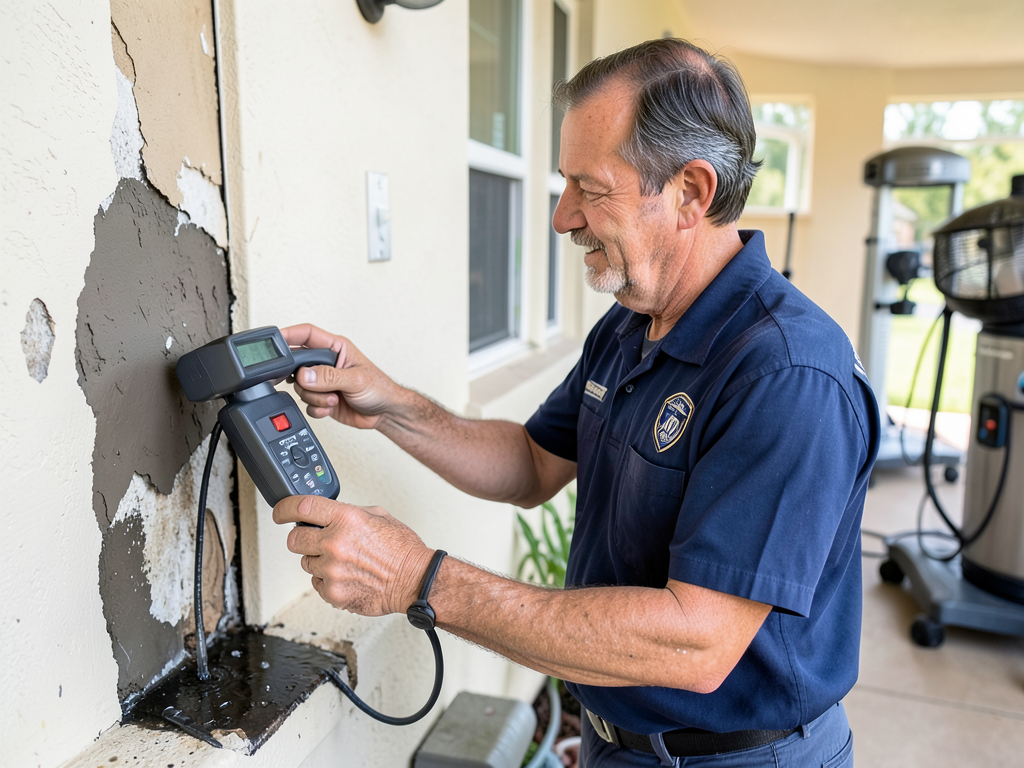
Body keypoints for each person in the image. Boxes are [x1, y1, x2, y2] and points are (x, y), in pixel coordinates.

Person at [273, 38, 879, 768]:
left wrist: (417, 578)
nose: (562, 218)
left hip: (736, 757)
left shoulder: (786, 374)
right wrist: (392, 404)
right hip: (614, 740)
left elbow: (695, 642)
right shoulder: (631, 324)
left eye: (589, 189)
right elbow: (533, 463)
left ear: (690, 192)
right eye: (564, 185)